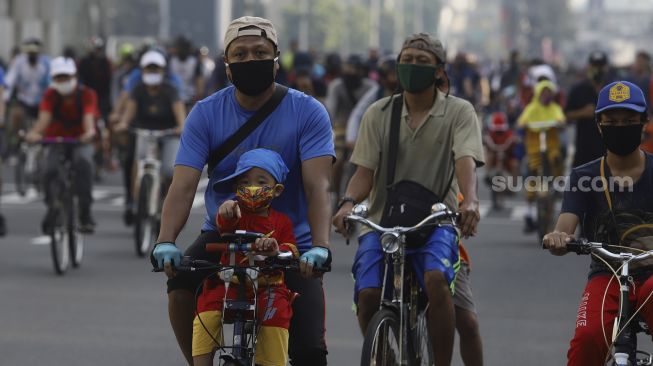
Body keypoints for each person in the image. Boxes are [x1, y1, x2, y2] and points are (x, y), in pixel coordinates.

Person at [150, 16, 334, 365]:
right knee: (179, 289)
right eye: (241, 54)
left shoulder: (308, 112)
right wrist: (165, 240)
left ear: (277, 60)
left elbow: (318, 186)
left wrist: (321, 247)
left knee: (309, 351)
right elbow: (183, 184)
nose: (251, 60)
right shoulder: (204, 114)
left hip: (292, 243)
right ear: (228, 67)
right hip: (225, 236)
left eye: (260, 52)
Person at [332, 33, 484, 365]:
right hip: (381, 222)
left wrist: (470, 200)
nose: (412, 66)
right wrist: (346, 203)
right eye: (407, 59)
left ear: (439, 71)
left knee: (438, 283)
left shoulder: (459, 112)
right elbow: (364, 172)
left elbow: (466, 161)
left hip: (436, 221)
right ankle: (381, 353)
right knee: (369, 293)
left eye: (422, 61)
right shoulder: (379, 112)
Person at [543, 80, 653, 365]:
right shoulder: (584, 176)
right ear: (599, 125)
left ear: (644, 122)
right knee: (589, 338)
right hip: (608, 275)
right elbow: (565, 226)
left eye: (629, 121)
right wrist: (558, 238)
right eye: (612, 121)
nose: (621, 127)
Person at [192, 148, 299, 366]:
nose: (253, 188)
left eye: (261, 182)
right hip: (230, 282)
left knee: (275, 317)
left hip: (267, 285)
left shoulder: (282, 222)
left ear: (276, 190)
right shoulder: (234, 213)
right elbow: (224, 224)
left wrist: (275, 249)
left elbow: (291, 249)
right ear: (236, 188)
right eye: (245, 182)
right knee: (206, 314)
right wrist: (226, 210)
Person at [25, 57, 98, 233]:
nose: (62, 81)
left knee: (84, 163)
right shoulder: (50, 95)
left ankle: (85, 212)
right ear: (53, 79)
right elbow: (44, 119)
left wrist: (89, 133)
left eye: (66, 77)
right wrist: (34, 134)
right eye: (58, 78)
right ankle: (52, 208)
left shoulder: (87, 94)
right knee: (49, 170)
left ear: (74, 76)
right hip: (55, 140)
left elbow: (88, 119)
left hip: (80, 140)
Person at [114, 50, 186, 224]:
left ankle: (166, 203)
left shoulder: (171, 90)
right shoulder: (138, 90)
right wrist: (123, 123)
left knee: (169, 170)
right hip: (144, 132)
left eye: (156, 69)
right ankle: (135, 200)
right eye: (149, 69)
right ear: (142, 71)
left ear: (163, 71)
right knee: (137, 163)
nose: (152, 73)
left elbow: (180, 116)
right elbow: (129, 113)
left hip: (169, 133)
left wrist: (181, 127)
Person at [517, 79, 566, 232]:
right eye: (543, 92)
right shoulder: (532, 108)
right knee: (532, 174)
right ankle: (529, 213)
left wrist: (559, 123)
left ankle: (557, 185)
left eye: (548, 92)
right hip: (534, 149)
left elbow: (561, 119)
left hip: (551, 147)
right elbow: (521, 122)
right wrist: (525, 125)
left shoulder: (554, 107)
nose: (546, 95)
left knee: (557, 159)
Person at [325, 54, 376, 198]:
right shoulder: (337, 86)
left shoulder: (370, 87)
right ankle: (334, 186)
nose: (353, 72)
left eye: (357, 69)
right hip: (341, 127)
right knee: (338, 158)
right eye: (350, 68)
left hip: (364, 129)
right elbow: (331, 111)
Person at [566, 51, 612, 168]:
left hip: (610, 150)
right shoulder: (578, 89)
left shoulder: (614, 89)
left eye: (600, 66)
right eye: (594, 66)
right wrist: (582, 113)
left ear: (606, 67)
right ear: (589, 67)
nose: (597, 69)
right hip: (584, 150)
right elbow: (565, 115)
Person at [4, 38, 50, 153]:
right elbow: (9, 80)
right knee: (16, 115)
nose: (32, 56)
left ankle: (44, 144)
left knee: (46, 121)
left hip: (42, 101)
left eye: (34, 53)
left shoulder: (47, 63)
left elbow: (51, 84)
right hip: (24, 100)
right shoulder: (19, 62)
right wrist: (5, 97)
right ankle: (15, 141)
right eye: (30, 53)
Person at [169, 36, 205, 108]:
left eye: (184, 47)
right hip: (173, 98)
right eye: (181, 47)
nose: (182, 50)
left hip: (190, 99)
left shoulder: (195, 62)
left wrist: (198, 96)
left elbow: (199, 80)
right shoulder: (171, 60)